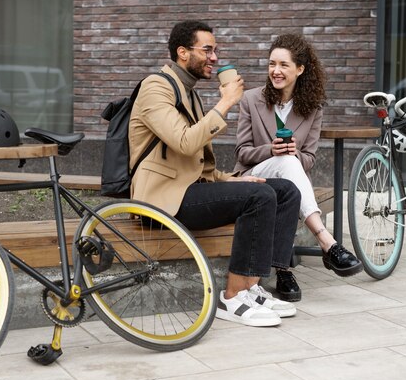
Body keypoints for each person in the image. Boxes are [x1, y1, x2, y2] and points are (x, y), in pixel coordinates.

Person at [128, 20, 302, 328]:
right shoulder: (155, 87)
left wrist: (233, 180)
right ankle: (232, 296)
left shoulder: (189, 92)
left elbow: (199, 165)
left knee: (284, 190)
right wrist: (226, 103)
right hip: (160, 199)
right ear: (183, 52)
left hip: (189, 190)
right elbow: (184, 142)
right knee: (259, 196)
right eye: (207, 50)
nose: (215, 58)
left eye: (215, 51)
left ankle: (252, 287)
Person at [234, 33, 363, 277]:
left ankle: (282, 271)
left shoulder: (313, 108)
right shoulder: (251, 99)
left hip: (290, 179)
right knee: (286, 163)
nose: (276, 71)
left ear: (300, 69)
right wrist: (271, 150)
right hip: (253, 175)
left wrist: (293, 153)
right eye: (272, 64)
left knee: (290, 177)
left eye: (284, 65)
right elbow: (241, 153)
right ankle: (327, 242)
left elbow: (309, 160)